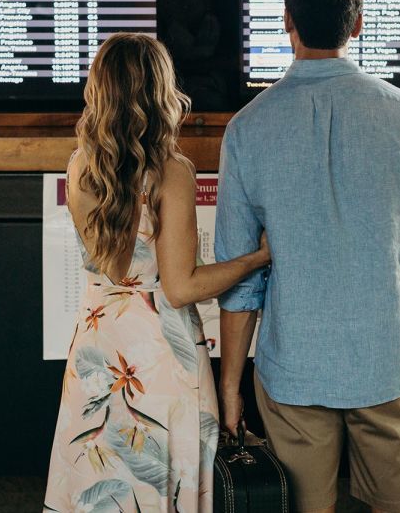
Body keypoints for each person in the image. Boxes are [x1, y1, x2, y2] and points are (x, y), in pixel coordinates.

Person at [215, 0, 400, 513]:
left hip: (291, 372)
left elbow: (240, 274)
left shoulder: (246, 129)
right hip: (391, 365)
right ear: (357, 26)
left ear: (287, 23)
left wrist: (229, 386)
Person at [44, 33, 271, 513]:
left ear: (98, 89)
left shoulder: (81, 165)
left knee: (101, 482)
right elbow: (180, 286)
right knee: (164, 490)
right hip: (158, 360)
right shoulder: (171, 171)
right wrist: (255, 258)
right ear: (161, 92)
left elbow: (116, 266)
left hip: (98, 349)